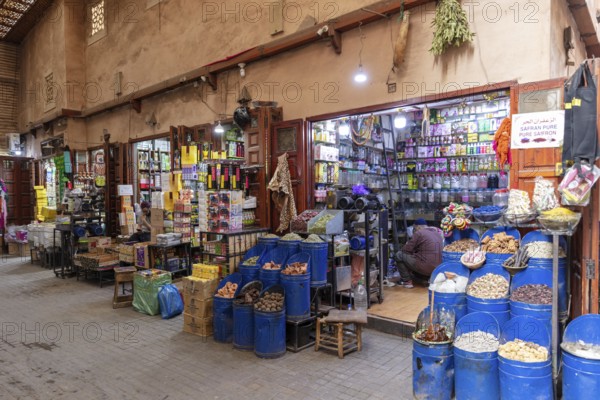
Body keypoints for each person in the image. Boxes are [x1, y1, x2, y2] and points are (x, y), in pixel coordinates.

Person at [395, 218, 443, 288]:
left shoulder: (419, 233)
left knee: (399, 255)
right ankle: (426, 279)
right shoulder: (437, 234)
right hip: (437, 269)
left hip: (425, 266)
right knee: (421, 258)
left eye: (414, 229)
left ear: (418, 227)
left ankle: (407, 281)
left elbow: (406, 250)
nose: (414, 231)